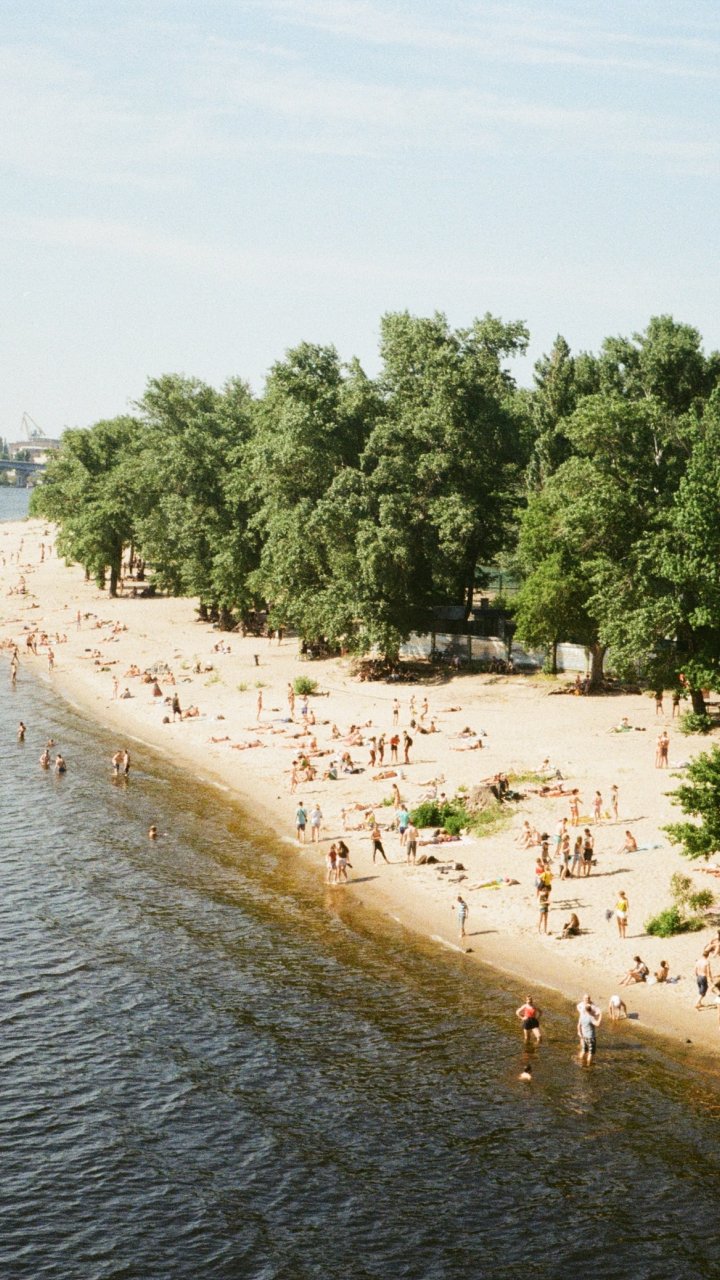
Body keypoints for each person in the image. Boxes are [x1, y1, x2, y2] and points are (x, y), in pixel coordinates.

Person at [577, 1000, 602, 1065]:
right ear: (591, 1010)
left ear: (585, 1010)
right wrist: (600, 1016)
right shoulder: (591, 1018)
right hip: (591, 1038)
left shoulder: (582, 1016)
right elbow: (598, 1024)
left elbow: (579, 1025)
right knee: (591, 1053)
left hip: (584, 1037)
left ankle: (579, 1061)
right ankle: (588, 1065)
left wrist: (580, 1033)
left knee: (583, 1051)